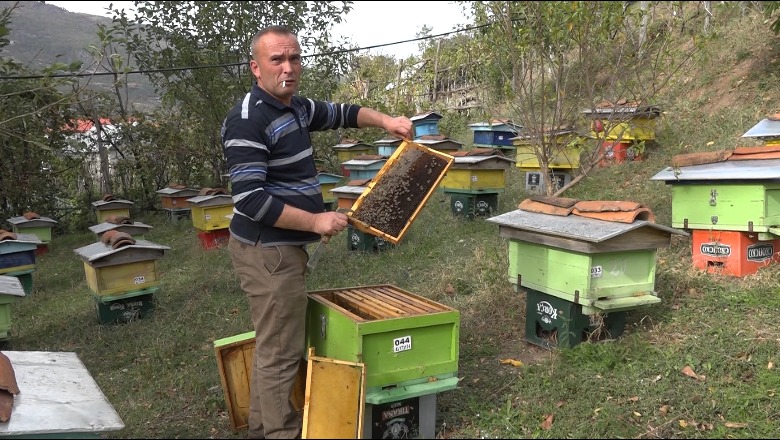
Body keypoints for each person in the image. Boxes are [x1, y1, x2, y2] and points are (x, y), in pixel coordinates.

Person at [221, 25, 413, 439]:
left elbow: (343, 112)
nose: (287, 68)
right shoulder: (248, 121)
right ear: (256, 68)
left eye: (294, 58)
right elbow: (249, 200)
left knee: (275, 343)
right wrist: (316, 220)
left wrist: (386, 121)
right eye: (277, 60)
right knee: (281, 351)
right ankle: (280, 433)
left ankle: (260, 429)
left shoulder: (295, 107)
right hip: (267, 252)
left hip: (281, 250)